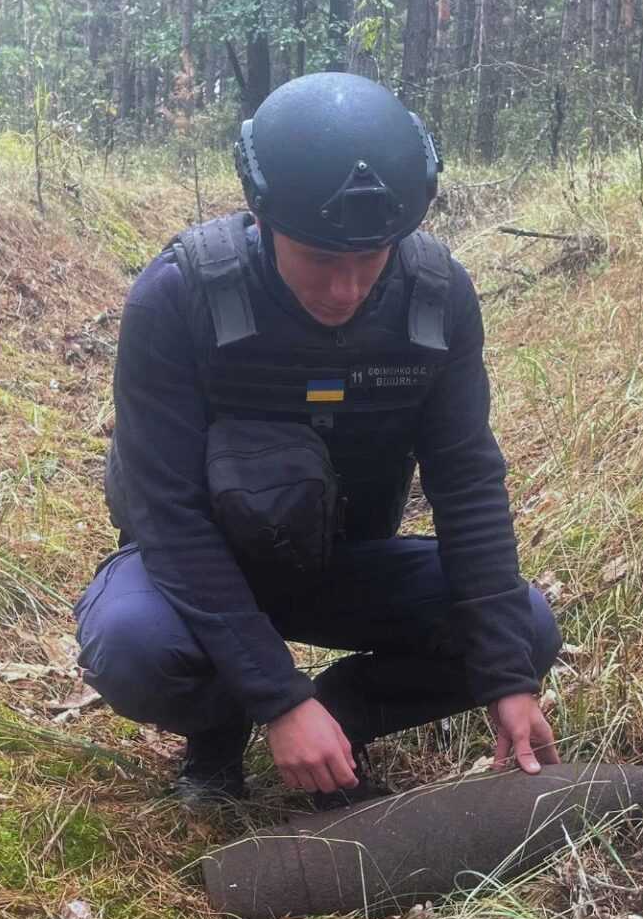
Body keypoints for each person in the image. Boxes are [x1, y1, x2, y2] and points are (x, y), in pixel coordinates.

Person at [73, 71, 562, 809]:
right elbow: (165, 512)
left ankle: (339, 718)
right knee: (134, 647)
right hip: (199, 565)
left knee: (523, 630)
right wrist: (276, 697)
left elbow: (467, 483)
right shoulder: (178, 300)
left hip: (346, 563)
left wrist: (507, 678)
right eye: (322, 261)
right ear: (264, 220)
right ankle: (225, 728)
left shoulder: (437, 300)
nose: (347, 289)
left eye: (372, 260)